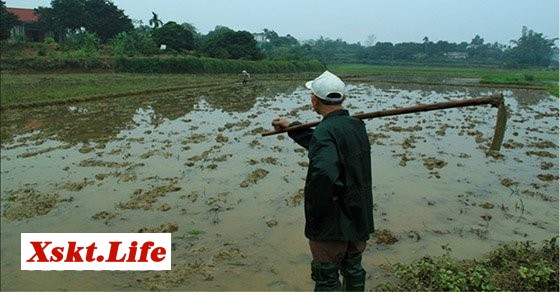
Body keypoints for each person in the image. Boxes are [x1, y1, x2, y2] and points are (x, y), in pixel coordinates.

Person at [272, 71, 374, 291]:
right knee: (353, 269)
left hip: (332, 221)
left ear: (314, 100)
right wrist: (292, 127)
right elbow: (326, 146)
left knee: (326, 276)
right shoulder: (356, 126)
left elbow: (325, 171)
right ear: (343, 99)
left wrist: (319, 209)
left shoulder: (326, 131)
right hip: (358, 215)